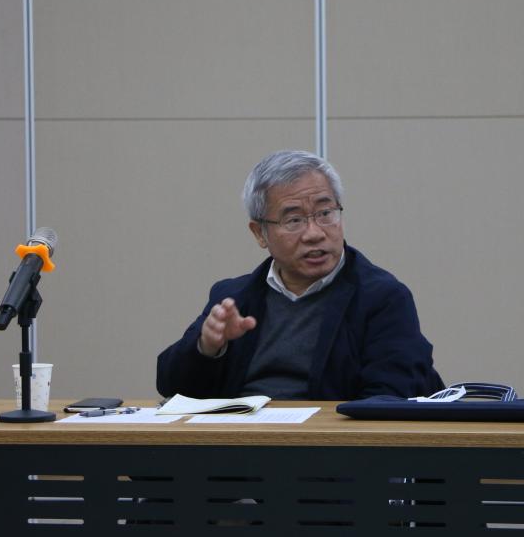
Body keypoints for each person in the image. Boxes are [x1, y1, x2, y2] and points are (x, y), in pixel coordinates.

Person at [157, 150, 443, 400]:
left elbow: (394, 392)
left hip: (329, 440)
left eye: (325, 213)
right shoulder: (234, 297)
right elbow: (170, 384)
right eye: (294, 220)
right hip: (243, 438)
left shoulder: (381, 297)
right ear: (259, 233)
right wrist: (207, 347)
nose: (314, 233)